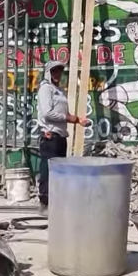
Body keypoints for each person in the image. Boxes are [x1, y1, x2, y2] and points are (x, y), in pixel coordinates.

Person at [36, 60, 88, 215]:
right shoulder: (46, 89)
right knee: (48, 170)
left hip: (60, 135)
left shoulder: (58, 90)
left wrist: (78, 120)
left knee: (58, 171)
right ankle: (44, 203)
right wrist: (68, 118)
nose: (57, 74)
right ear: (48, 72)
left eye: (59, 71)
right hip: (50, 135)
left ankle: (56, 202)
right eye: (54, 71)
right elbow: (47, 113)